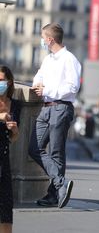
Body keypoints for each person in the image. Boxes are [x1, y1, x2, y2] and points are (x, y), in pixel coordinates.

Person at [29, 23, 81, 208]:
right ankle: (61, 184)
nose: (42, 41)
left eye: (43, 38)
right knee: (34, 148)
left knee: (56, 153)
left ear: (50, 39)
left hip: (61, 107)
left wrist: (47, 89)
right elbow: (38, 77)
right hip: (46, 107)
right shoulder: (48, 59)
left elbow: (73, 87)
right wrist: (38, 84)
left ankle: (53, 194)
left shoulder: (69, 59)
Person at [0, 66, 19, 233]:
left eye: (1, 80)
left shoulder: (14, 105)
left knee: (6, 209)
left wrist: (14, 132)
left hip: (4, 158)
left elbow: (13, 139)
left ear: (9, 82)